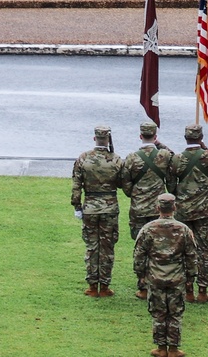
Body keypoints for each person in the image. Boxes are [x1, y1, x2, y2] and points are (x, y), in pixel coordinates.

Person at [133, 193, 198, 357]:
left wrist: (141, 275)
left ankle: (161, 348)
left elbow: (139, 254)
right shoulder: (184, 229)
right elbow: (191, 255)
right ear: (174, 207)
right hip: (177, 277)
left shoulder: (148, 229)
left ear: (157, 208)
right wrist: (191, 277)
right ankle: (174, 349)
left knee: (158, 312)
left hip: (155, 277)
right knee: (175, 313)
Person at [121, 120, 175, 299]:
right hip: (157, 209)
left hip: (138, 208)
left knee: (140, 248)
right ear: (155, 136)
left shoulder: (131, 157)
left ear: (140, 136)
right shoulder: (164, 155)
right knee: (159, 246)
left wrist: (135, 195)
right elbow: (175, 161)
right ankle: (158, 280)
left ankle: (142, 285)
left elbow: (126, 184)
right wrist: (160, 145)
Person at [169, 124, 208, 303]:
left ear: (185, 138)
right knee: (203, 250)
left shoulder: (177, 159)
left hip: (183, 212)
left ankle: (188, 288)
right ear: (201, 137)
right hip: (204, 212)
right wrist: (204, 147)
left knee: (183, 251)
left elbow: (171, 185)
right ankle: (203, 290)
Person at [72, 124, 124, 297]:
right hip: (109, 207)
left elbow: (76, 186)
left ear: (95, 138)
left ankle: (92, 285)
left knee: (92, 246)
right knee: (107, 247)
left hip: (90, 207)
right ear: (107, 139)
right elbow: (123, 183)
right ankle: (105, 285)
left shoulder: (83, 158)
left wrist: (77, 206)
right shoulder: (116, 159)